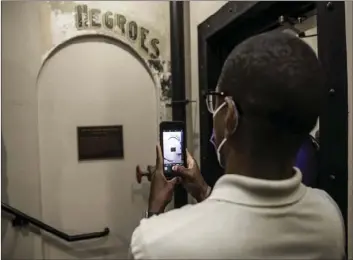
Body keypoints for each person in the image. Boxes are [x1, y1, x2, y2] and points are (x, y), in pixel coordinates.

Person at [130, 32, 345, 259]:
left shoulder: (154, 242)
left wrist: (154, 210)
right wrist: (203, 191)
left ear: (230, 115)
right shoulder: (329, 217)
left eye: (216, 102)